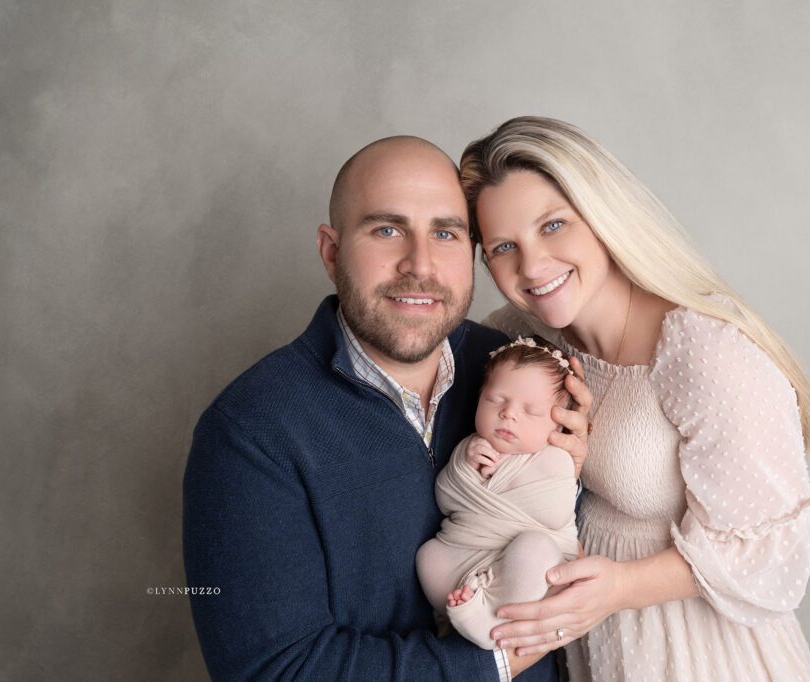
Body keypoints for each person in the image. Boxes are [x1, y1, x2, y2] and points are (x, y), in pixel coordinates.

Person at [182, 135, 591, 681]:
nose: (420, 264)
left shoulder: (509, 370)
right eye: (387, 230)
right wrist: (499, 658)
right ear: (331, 252)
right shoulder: (250, 431)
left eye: (445, 233)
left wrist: (568, 469)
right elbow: (275, 670)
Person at [458, 116, 810, 681]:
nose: (531, 266)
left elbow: (774, 551)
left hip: (703, 653)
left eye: (554, 225)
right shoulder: (518, 339)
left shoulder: (703, 348)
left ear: (602, 217)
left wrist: (622, 587)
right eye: (504, 246)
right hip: (599, 647)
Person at [417, 335, 581, 650]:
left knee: (535, 549)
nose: (509, 414)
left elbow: (553, 513)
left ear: (558, 425)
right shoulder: (470, 448)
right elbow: (447, 499)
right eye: (495, 400)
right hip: (468, 552)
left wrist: (491, 487)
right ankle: (470, 609)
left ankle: (487, 625)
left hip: (523, 568)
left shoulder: (555, 459)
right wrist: (465, 467)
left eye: (531, 410)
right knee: (429, 557)